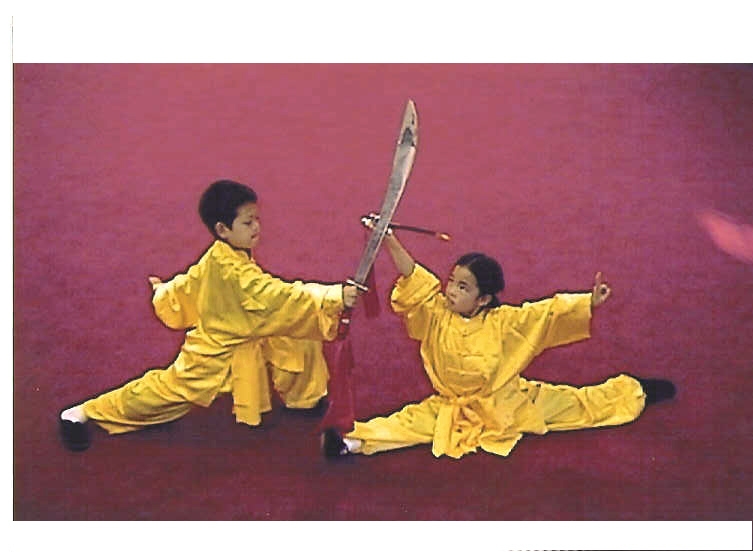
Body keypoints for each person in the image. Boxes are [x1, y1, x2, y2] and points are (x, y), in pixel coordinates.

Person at [322, 223, 675, 459]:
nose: (451, 290)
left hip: (507, 403)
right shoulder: (435, 312)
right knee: (407, 424)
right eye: (452, 281)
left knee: (576, 406)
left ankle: (635, 391)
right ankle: (350, 444)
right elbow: (412, 274)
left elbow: (547, 313)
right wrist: (387, 237)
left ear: (483, 299)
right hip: (450, 405)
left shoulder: (504, 322)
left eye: (463, 287)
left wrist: (589, 302)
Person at [59, 179, 359, 451]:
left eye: (256, 219)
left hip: (247, 328)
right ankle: (84, 413)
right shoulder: (233, 271)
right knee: (168, 391)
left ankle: (304, 399)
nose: (256, 227)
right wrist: (334, 296)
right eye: (247, 222)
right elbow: (280, 295)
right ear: (222, 229)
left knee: (295, 327)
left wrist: (164, 292)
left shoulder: (220, 252)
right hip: (218, 346)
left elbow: (192, 281)